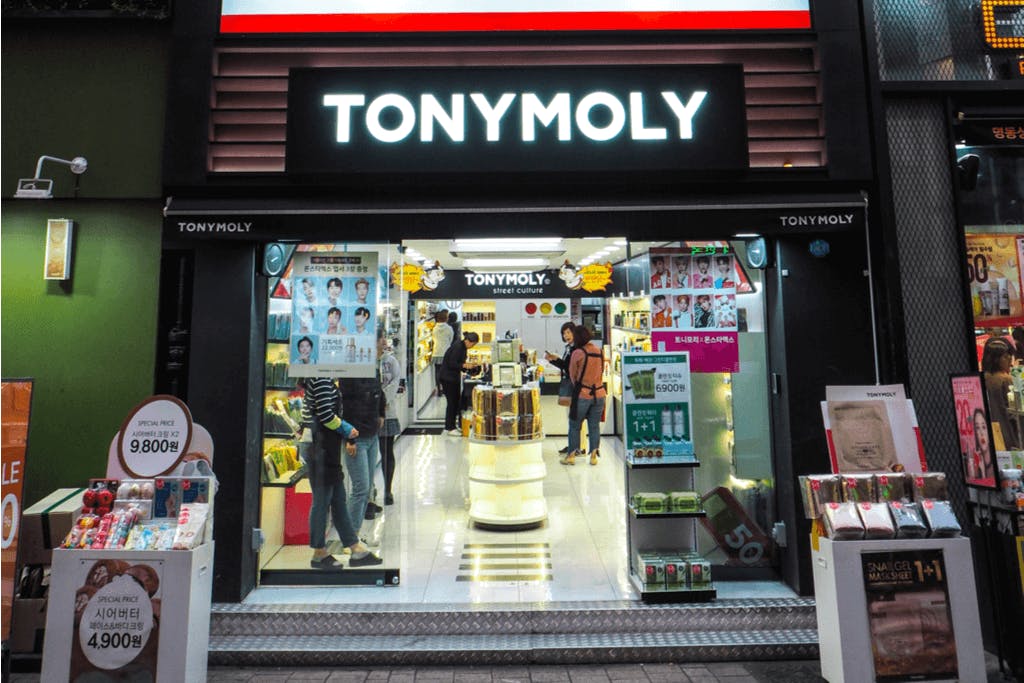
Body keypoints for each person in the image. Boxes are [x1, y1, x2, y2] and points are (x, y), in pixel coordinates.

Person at [301, 377, 381, 569]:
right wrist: (347, 430)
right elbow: (325, 415)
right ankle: (319, 552)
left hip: (326, 444)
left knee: (338, 498)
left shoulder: (326, 379)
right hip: (319, 445)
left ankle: (354, 547)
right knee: (322, 500)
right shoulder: (320, 379)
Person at [339, 366, 387, 527]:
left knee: (365, 490)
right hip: (356, 437)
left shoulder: (372, 368)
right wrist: (349, 438)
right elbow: (346, 408)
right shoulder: (348, 374)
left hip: (371, 434)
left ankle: (354, 536)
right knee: (361, 488)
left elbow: (379, 393)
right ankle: (351, 538)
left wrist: (381, 413)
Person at [561, 326, 607, 466]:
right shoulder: (600, 352)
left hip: (582, 394)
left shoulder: (578, 353)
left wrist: (580, 385)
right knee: (594, 426)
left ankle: (571, 456)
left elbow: (573, 375)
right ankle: (593, 456)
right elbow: (601, 371)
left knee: (575, 425)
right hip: (599, 393)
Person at [544, 322, 578, 455]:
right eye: (564, 333)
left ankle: (576, 447)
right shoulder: (569, 348)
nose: (566, 335)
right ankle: (573, 445)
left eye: (569, 332)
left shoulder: (576, 349)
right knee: (571, 417)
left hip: (573, 386)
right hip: (569, 384)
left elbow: (568, 367)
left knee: (574, 419)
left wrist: (555, 360)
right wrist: (553, 360)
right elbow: (565, 365)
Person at [438, 331, 480, 436]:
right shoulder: (458, 347)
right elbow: (452, 363)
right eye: (472, 344)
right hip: (448, 378)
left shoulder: (462, 347)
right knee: (452, 402)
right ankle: (449, 427)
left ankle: (451, 425)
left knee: (455, 402)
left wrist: (466, 366)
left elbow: (458, 364)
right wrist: (465, 366)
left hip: (452, 378)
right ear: (468, 341)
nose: (472, 346)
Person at [982, 336, 1019, 449]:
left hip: (989, 432)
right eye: (1005, 356)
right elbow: (1014, 411)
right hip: (1007, 432)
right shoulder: (1005, 379)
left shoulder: (983, 377)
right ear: (995, 359)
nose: (1009, 359)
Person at [378, 333, 403, 506]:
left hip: (387, 412)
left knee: (387, 451)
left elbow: (395, 382)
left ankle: (387, 490)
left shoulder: (391, 361)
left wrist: (382, 400)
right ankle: (370, 493)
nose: (384, 342)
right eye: (381, 338)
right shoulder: (366, 360)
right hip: (368, 413)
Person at [431, 310, 454, 396]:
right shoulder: (449, 328)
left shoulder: (434, 329)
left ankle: (439, 390)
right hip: (446, 353)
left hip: (436, 352)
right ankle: (445, 389)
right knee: (446, 372)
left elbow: (433, 339)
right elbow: (450, 339)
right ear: (446, 318)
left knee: (437, 372)